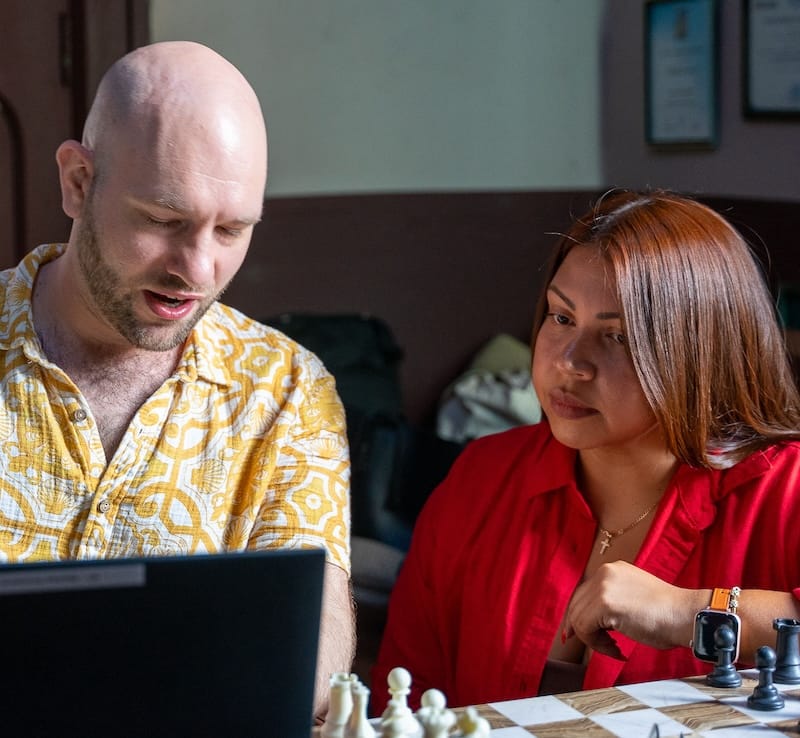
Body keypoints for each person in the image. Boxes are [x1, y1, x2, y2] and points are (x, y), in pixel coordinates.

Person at [0, 41, 353, 719]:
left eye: (232, 229)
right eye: (164, 221)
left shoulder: (286, 392)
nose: (196, 268)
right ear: (77, 182)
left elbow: (308, 658)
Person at [372, 189, 800, 711]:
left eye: (616, 336)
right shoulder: (482, 476)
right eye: (561, 317)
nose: (570, 363)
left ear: (698, 350)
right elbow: (401, 698)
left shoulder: (783, 491)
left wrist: (689, 612)